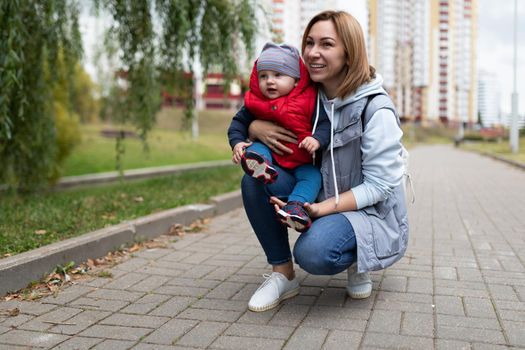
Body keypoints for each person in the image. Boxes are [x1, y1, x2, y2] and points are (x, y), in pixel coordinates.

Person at [239, 10, 409, 313]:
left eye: (326, 44)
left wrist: (319, 209)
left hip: (367, 211)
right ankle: (283, 275)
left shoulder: (376, 108)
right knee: (253, 178)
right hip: (317, 191)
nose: (313, 53)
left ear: (348, 54)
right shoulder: (305, 95)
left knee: (314, 253)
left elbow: (380, 187)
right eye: (309, 42)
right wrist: (254, 128)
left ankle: (359, 257)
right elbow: (256, 112)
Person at [228, 42, 331, 232]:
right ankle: (258, 165)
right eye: (263, 76)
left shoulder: (310, 100)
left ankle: (296, 207)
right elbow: (237, 124)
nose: (269, 81)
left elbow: (325, 123)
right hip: (271, 159)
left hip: (302, 162)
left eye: (278, 75)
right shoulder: (256, 102)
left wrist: (316, 139)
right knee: (256, 148)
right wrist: (237, 143)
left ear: (296, 79)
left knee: (313, 177)